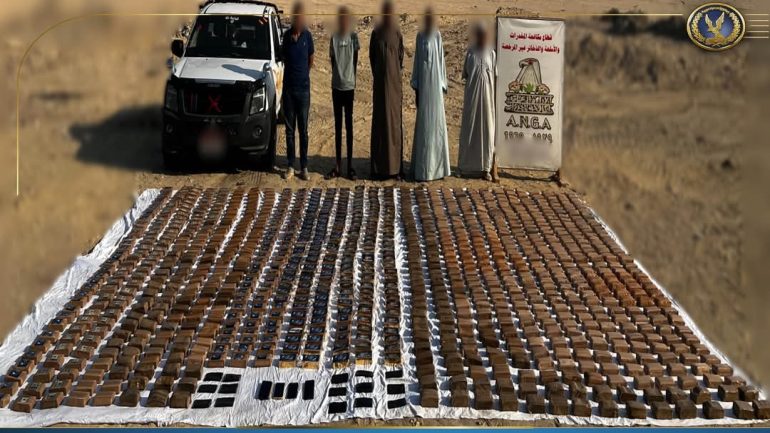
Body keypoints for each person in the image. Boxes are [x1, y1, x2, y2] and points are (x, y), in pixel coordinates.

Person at [410, 7, 450, 182]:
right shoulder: (419, 36)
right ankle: (423, 170)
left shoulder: (437, 35)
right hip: (424, 88)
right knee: (425, 126)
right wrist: (417, 87)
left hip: (435, 88)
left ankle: (438, 170)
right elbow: (417, 63)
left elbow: (441, 61)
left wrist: (442, 85)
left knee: (436, 126)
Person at [369, 0, 405, 180]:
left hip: (394, 87)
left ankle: (396, 169)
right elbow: (372, 58)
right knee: (380, 124)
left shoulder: (397, 33)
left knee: (394, 125)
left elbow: (400, 58)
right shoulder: (376, 33)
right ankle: (378, 168)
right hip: (380, 87)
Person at [458, 22, 496, 181]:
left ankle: (485, 168)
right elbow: (466, 74)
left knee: (487, 131)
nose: (482, 38)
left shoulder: (491, 53)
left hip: (487, 100)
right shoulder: (471, 52)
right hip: (472, 98)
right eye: (480, 35)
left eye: (484, 35)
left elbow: (494, 74)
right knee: (470, 129)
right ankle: (465, 167)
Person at [325, 6, 360, 180]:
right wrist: (339, 76)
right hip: (336, 87)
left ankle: (350, 166)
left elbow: (355, 60)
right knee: (338, 126)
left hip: (349, 87)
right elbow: (333, 61)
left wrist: (349, 77)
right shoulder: (334, 37)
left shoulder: (354, 37)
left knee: (349, 126)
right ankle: (338, 165)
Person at [282, 2, 315, 181]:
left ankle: (304, 166)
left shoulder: (307, 36)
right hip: (288, 90)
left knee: (303, 130)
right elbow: (283, 57)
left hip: (303, 91)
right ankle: (290, 166)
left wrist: (303, 76)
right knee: (289, 131)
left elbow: (311, 59)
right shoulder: (286, 37)